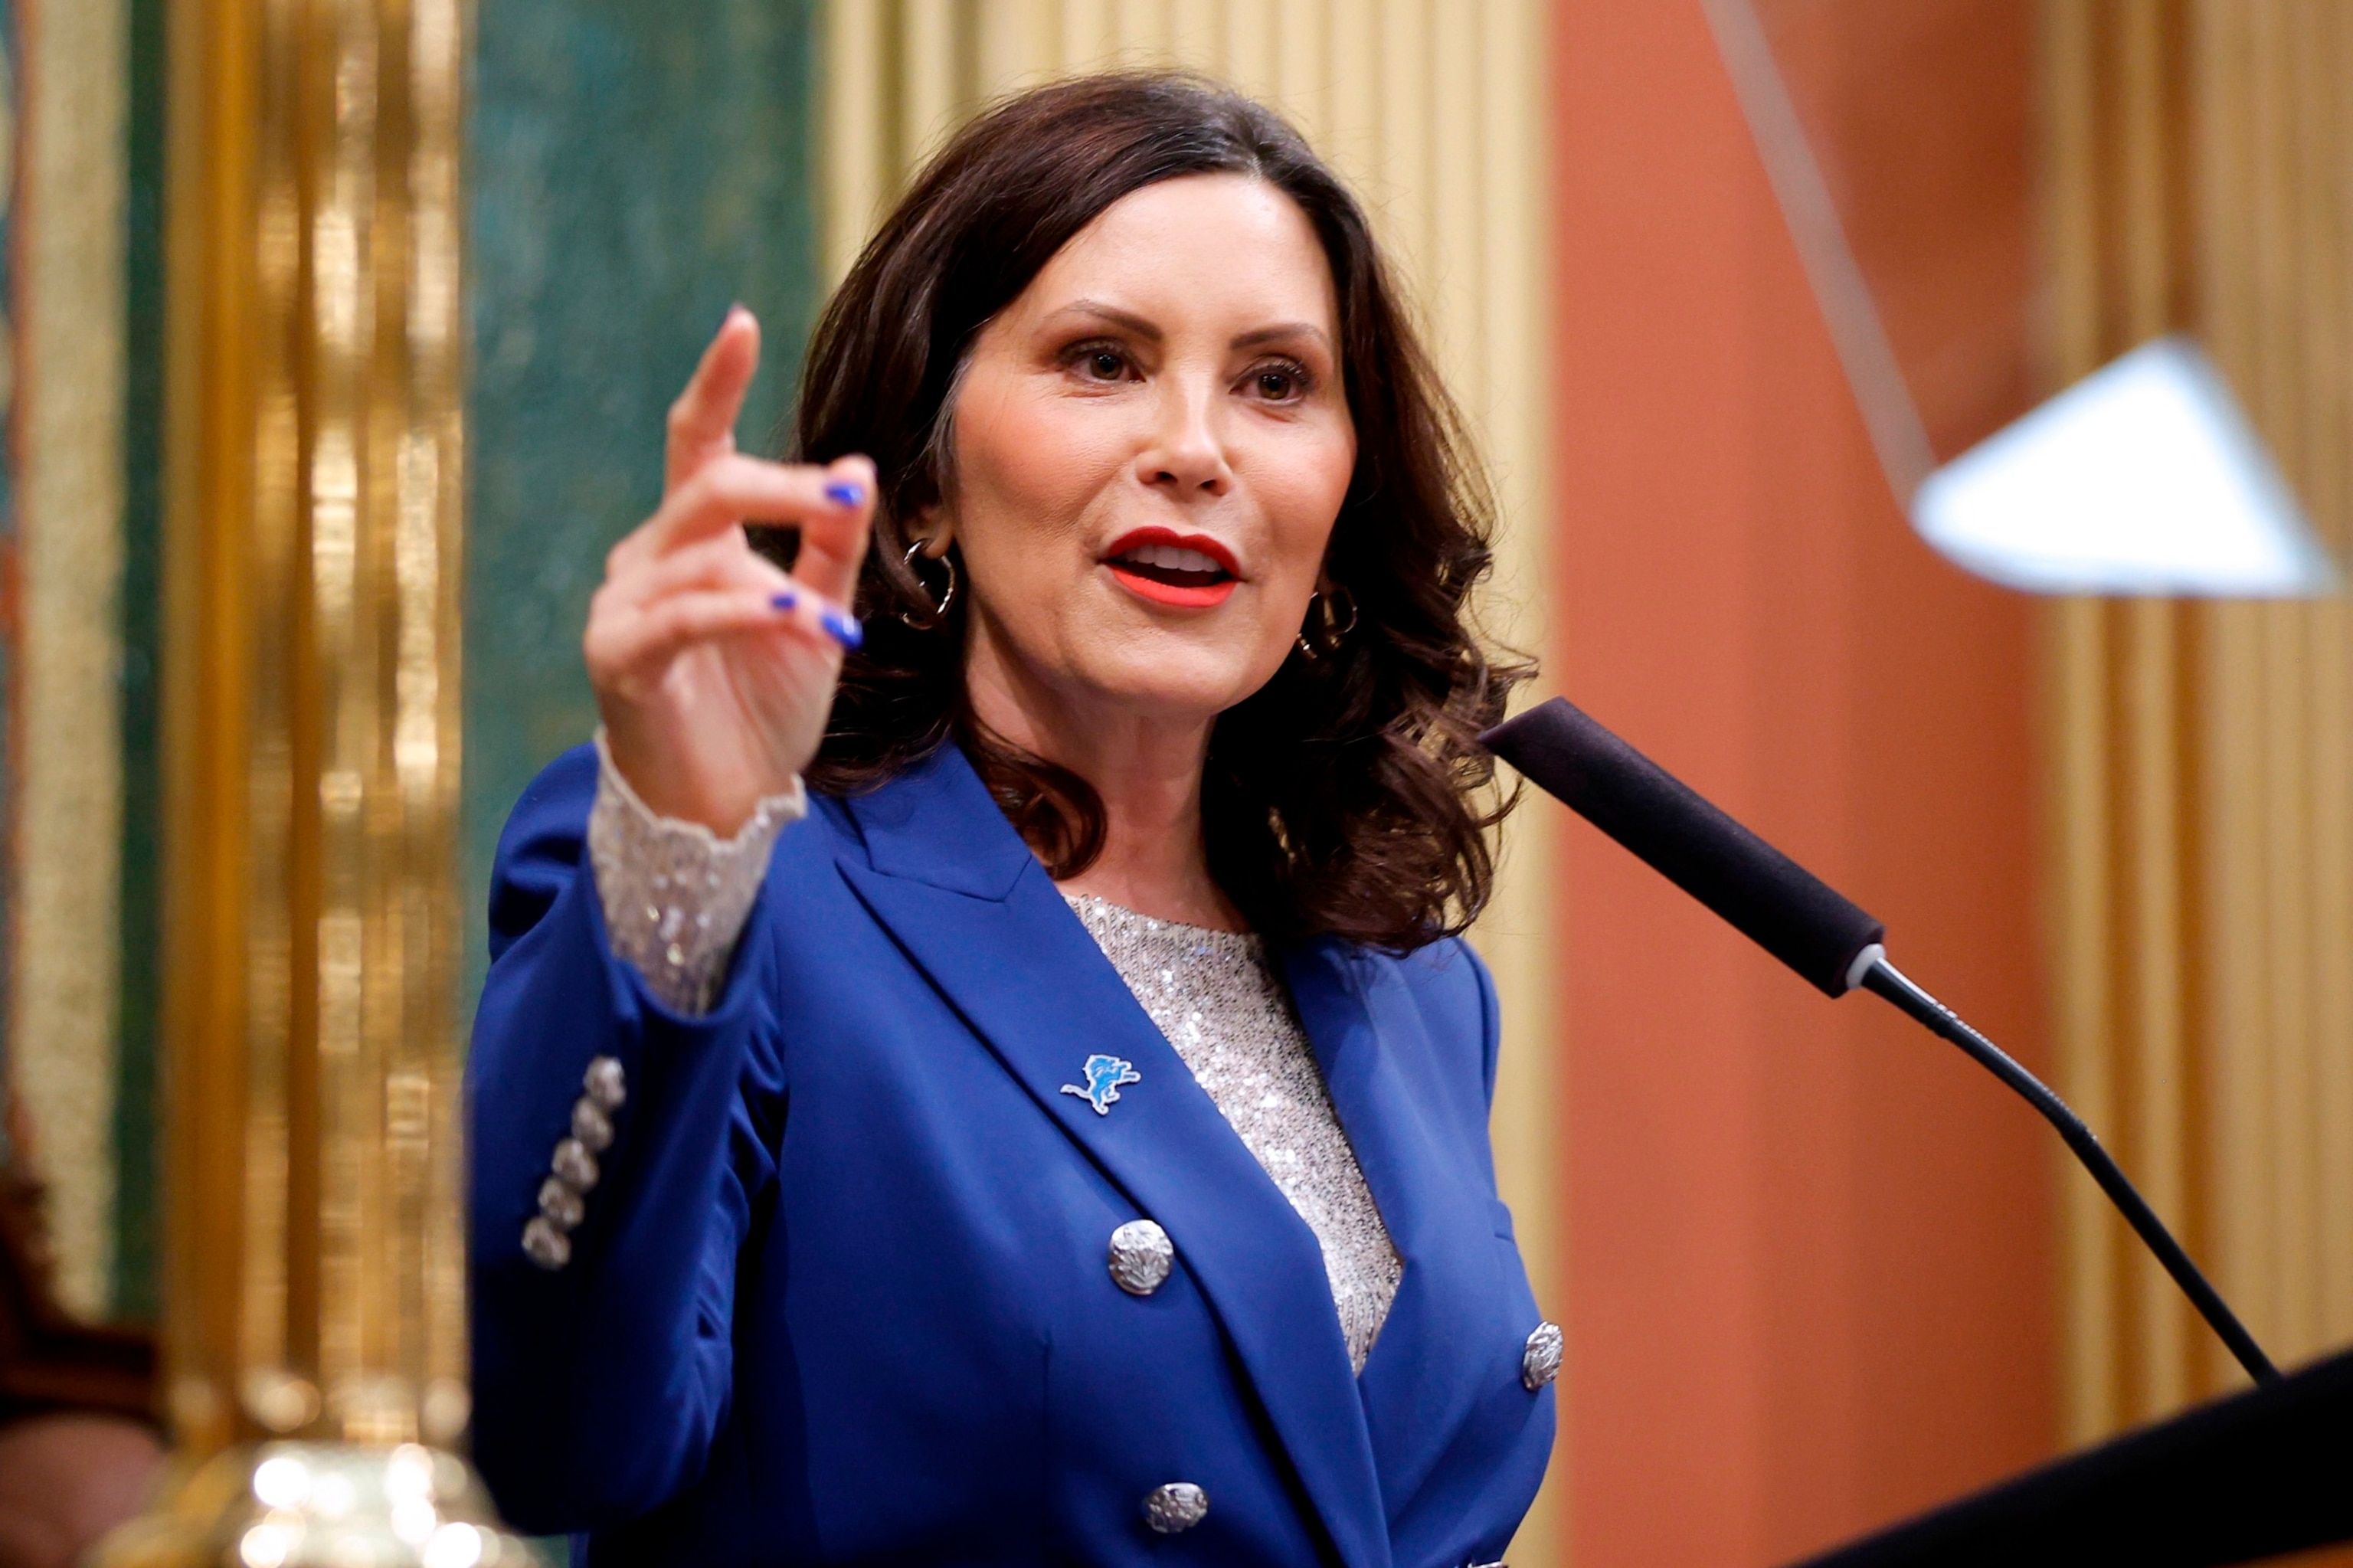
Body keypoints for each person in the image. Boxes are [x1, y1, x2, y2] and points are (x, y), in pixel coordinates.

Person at [468, 72, 1553, 1566]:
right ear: (924, 474)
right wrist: (675, 853)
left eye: (1276, 381)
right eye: (1103, 360)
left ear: (1346, 490)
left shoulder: (1419, 994)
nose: (1198, 447)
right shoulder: (735, 881)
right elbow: (558, 1437)